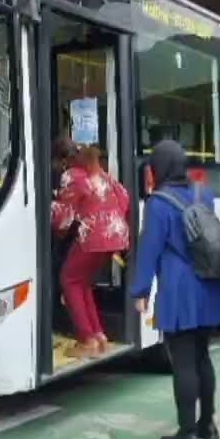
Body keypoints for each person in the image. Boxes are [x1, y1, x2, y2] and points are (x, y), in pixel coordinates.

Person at [131, 140, 220, 439]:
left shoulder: (158, 203)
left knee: (184, 362)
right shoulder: (204, 193)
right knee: (203, 355)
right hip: (210, 285)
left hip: (180, 290)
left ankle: (187, 434)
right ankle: (208, 425)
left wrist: (140, 292)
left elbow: (149, 250)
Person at [51, 145, 130, 358]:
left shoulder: (72, 176)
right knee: (83, 283)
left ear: (66, 160)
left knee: (69, 281)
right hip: (116, 235)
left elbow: (63, 217)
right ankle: (99, 336)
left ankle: (87, 340)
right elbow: (124, 198)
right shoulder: (102, 174)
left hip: (93, 236)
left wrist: (51, 218)